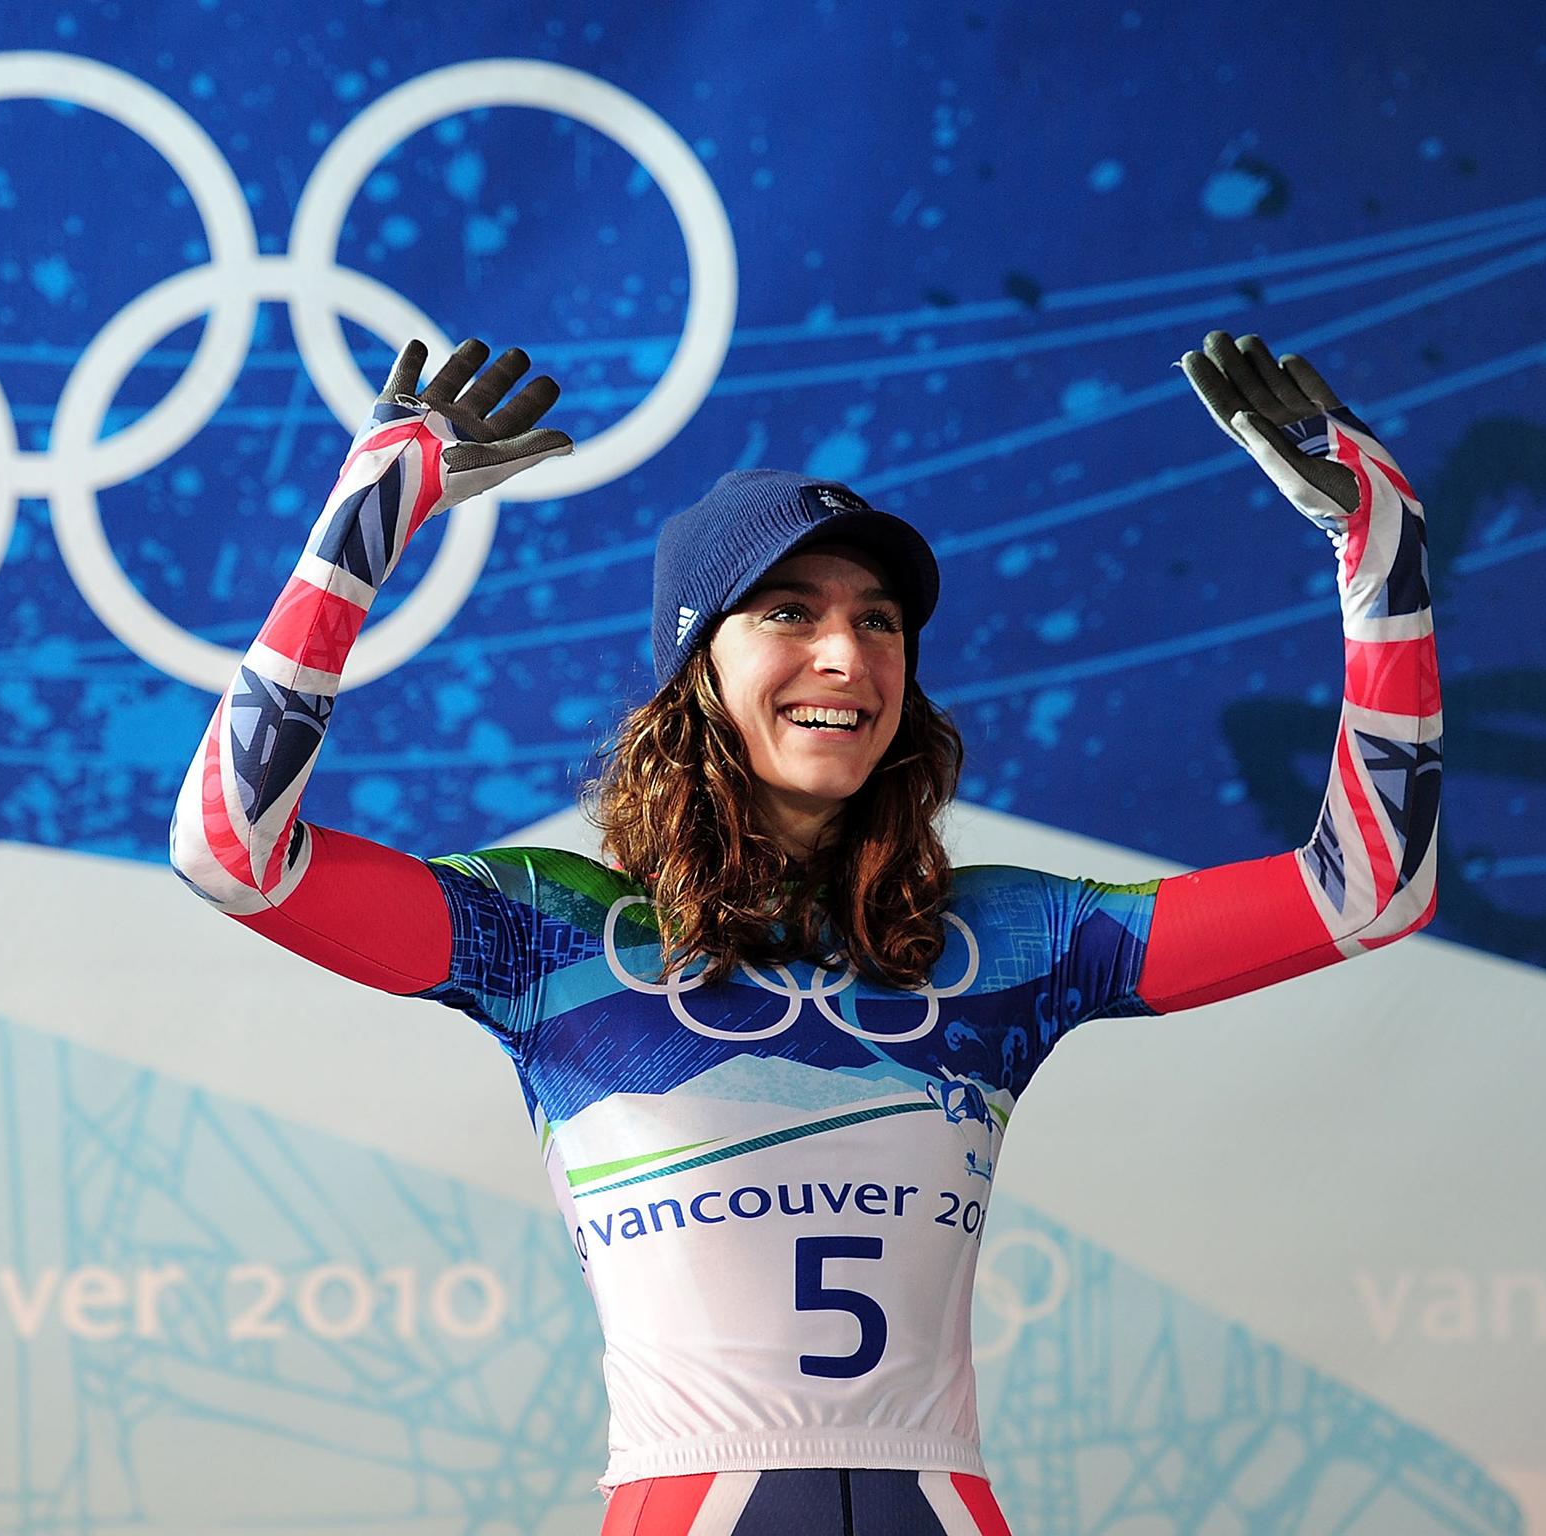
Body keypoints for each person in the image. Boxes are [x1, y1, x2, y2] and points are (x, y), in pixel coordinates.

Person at [170, 332, 1440, 1535]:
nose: (845, 652)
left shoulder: (1003, 940)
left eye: (878, 620)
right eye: (787, 611)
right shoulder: (546, 931)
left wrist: (1378, 545)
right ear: (696, 667)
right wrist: (370, 515)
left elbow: (1366, 887)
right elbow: (234, 850)